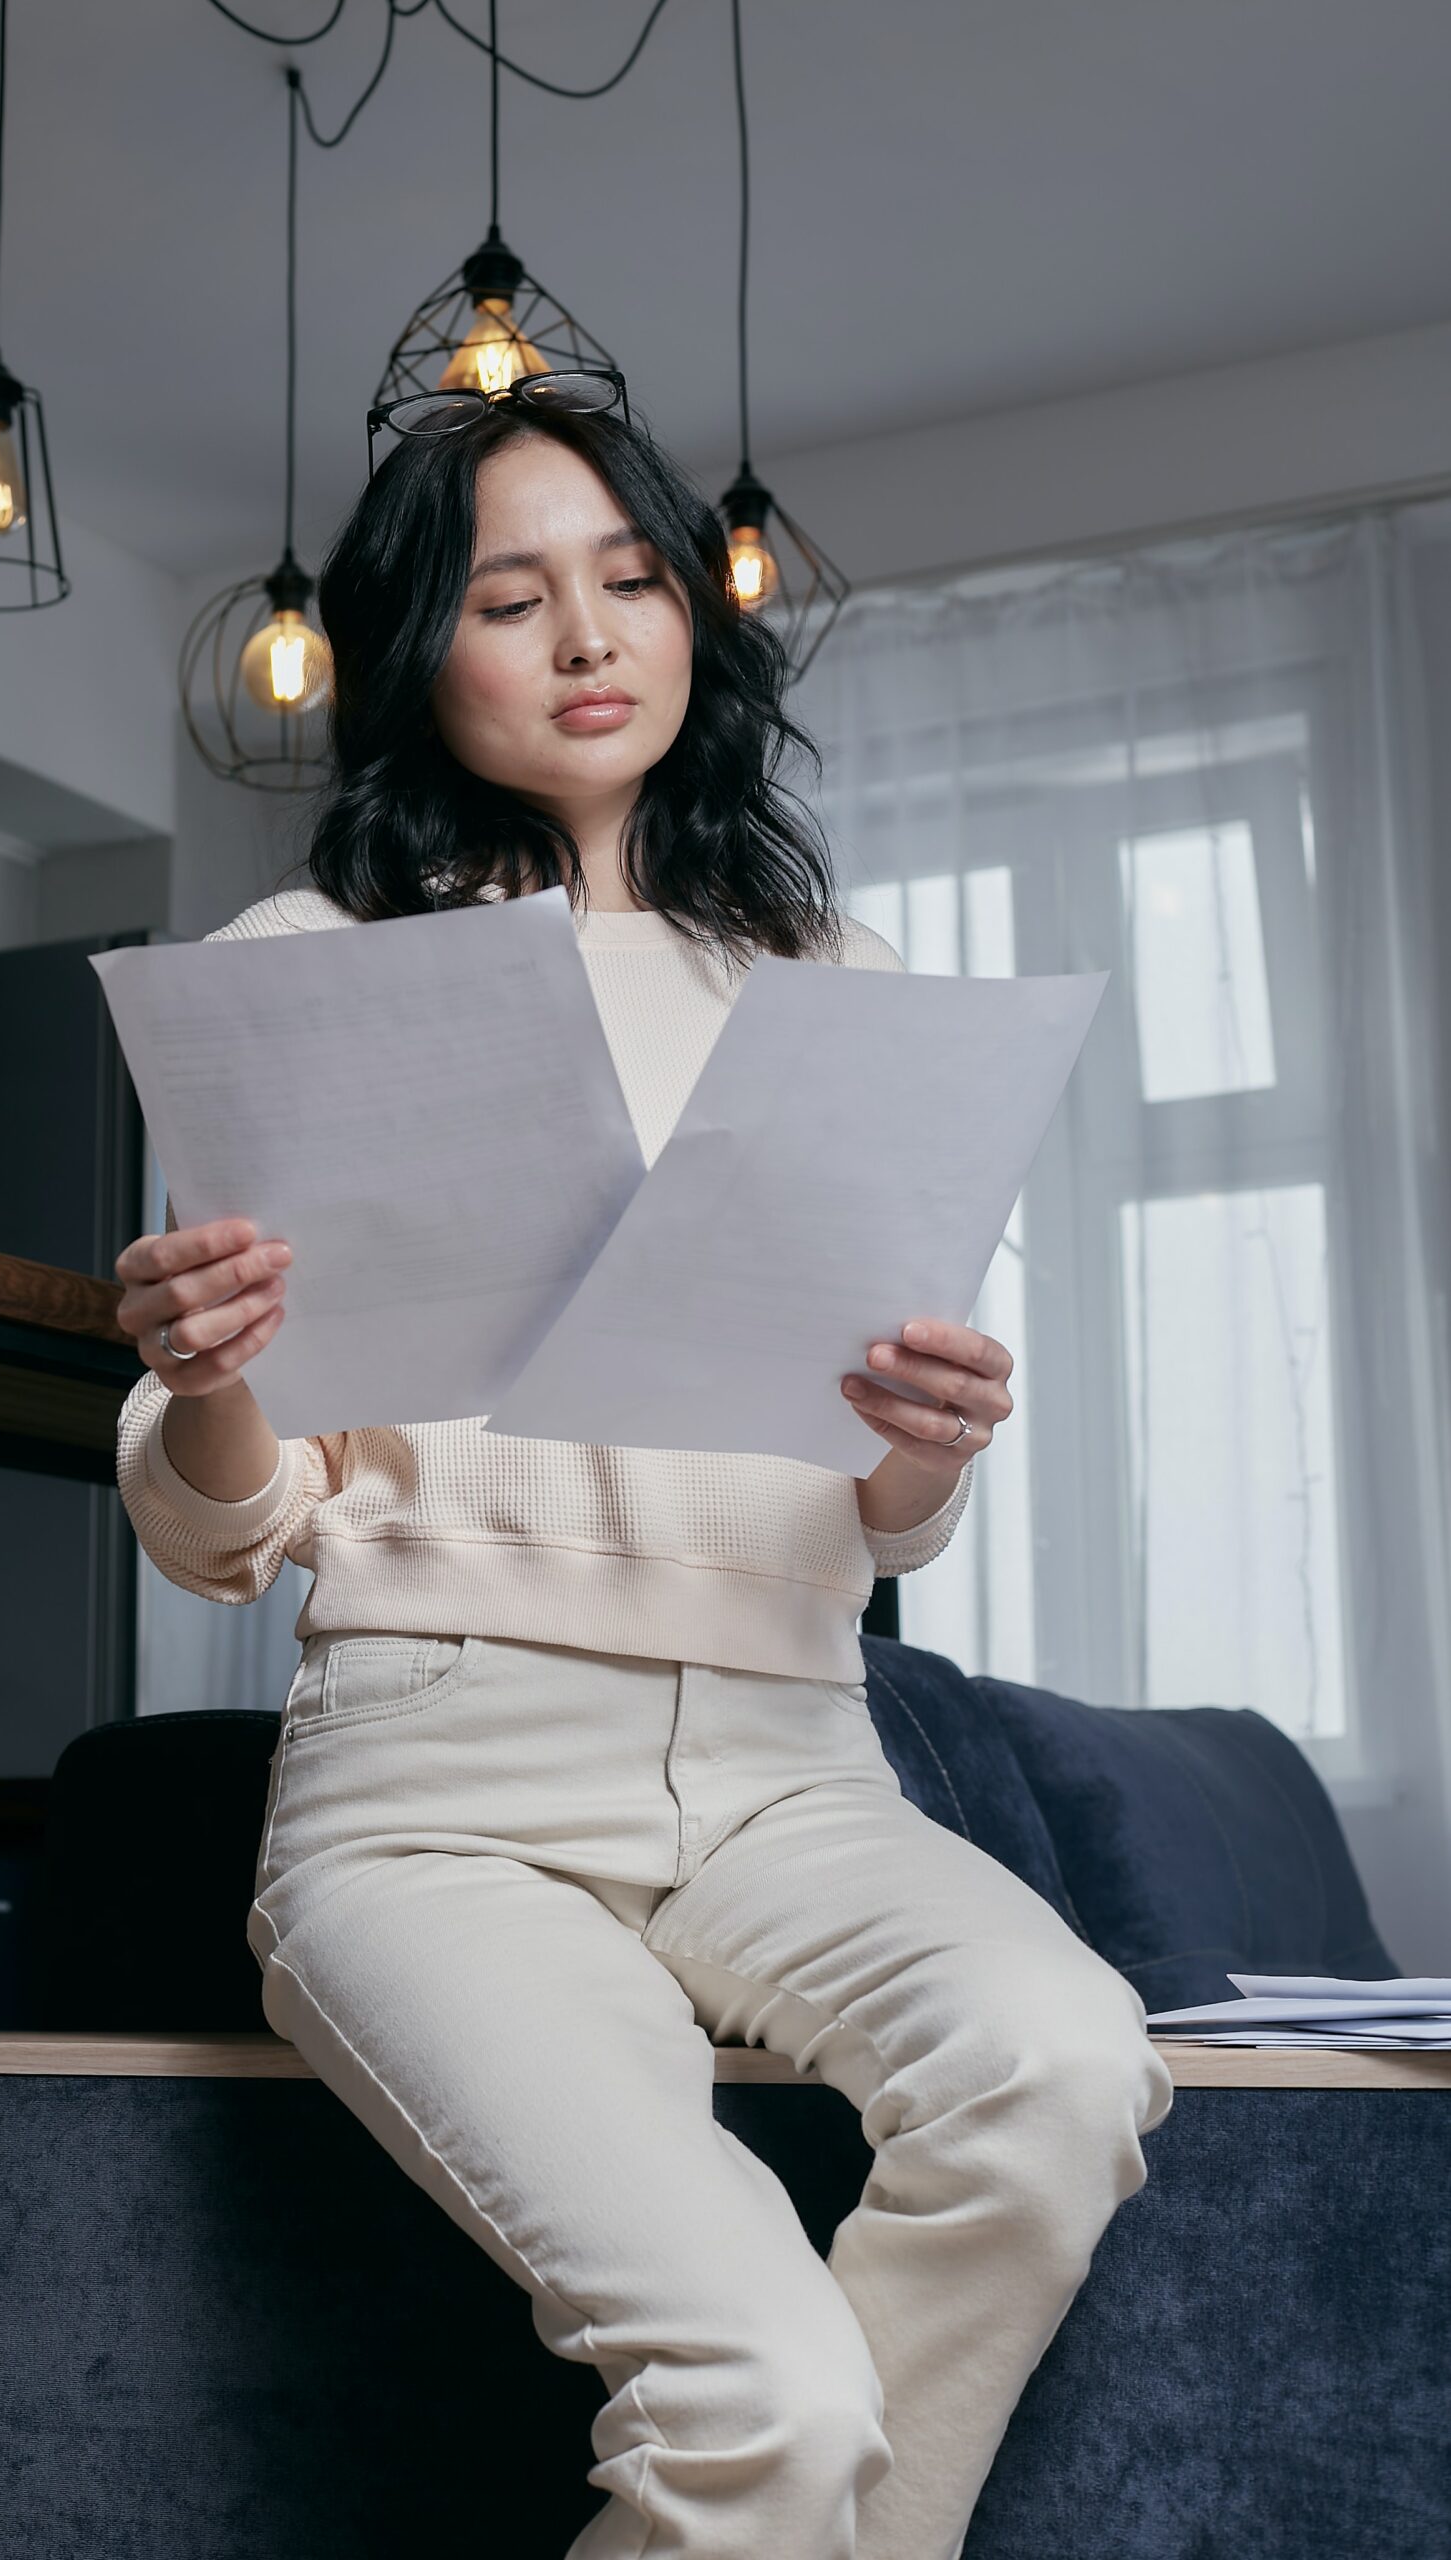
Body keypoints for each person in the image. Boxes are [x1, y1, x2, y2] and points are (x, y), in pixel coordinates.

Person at [111, 379, 1174, 2560]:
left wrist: (920, 1451)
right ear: (426, 656)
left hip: (793, 1757)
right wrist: (207, 1377)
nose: (591, 635)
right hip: (436, 1782)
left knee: (1065, 2063)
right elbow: (231, 1521)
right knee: (757, 2396)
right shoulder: (308, 973)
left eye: (629, 579)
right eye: (514, 597)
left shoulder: (826, 974)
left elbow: (871, 1515)